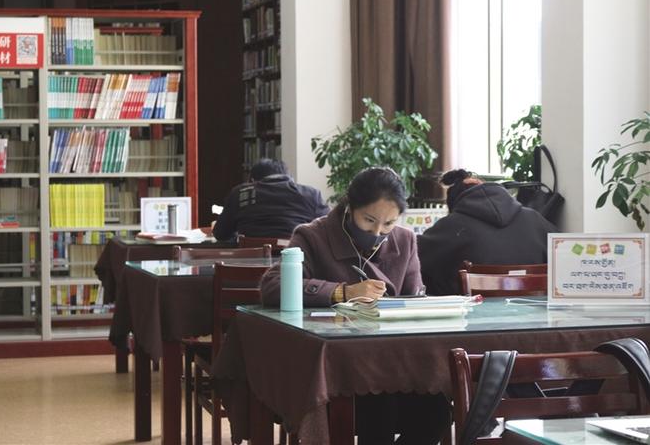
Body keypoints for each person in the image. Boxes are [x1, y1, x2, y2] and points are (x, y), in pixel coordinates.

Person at [261, 167, 450, 445]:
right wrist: (342, 292)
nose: (377, 232)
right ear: (350, 207)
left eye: (388, 223)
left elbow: (414, 299)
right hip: (337, 369)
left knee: (438, 411)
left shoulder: (405, 240)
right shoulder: (313, 236)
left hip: (395, 361)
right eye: (369, 220)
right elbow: (273, 286)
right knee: (378, 401)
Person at [417, 169, 557, 296]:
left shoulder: (450, 226)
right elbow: (564, 257)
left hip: (470, 314)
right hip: (536, 313)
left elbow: (413, 261)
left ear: (455, 204)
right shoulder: (536, 220)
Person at [211, 159, 329, 241]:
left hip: (247, 264)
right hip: (297, 265)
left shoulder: (240, 193)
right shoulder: (310, 194)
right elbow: (330, 230)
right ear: (290, 178)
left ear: (252, 181)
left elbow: (221, 234)